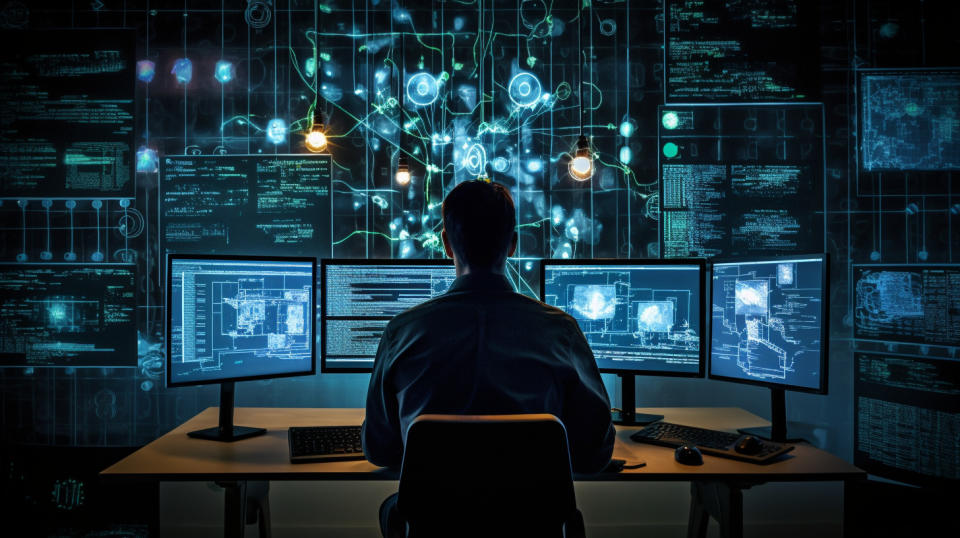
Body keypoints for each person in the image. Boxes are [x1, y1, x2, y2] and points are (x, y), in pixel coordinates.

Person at [362, 179, 616, 536]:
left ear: (447, 244)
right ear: (513, 243)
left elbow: (380, 450)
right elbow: (595, 454)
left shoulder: (402, 332)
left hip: (437, 530)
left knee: (394, 509)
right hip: (531, 530)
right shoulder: (561, 331)